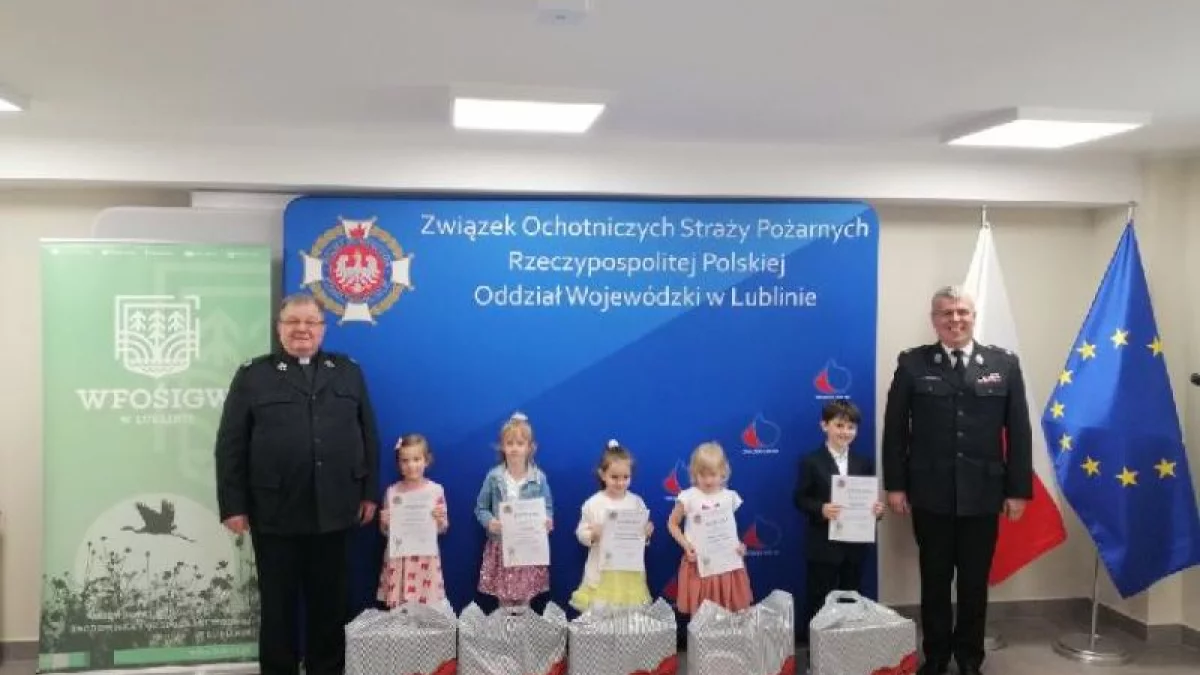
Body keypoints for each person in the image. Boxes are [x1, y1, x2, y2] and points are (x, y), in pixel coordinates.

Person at [214, 293, 380, 675]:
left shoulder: (348, 371)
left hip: (336, 507)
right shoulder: (253, 375)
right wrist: (233, 505)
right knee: (278, 606)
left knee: (330, 604)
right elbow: (231, 444)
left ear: (323, 329)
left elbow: (368, 434)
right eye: (292, 322)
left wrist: (369, 492)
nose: (301, 329)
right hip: (274, 512)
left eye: (310, 322)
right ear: (279, 328)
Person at [882, 286, 1032, 675]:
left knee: (974, 583)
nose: (955, 319)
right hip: (930, 493)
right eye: (946, 313)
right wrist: (895, 485)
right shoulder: (913, 364)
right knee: (934, 580)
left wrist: (1018, 490)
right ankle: (935, 657)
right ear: (934, 320)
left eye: (962, 311)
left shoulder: (1003, 364)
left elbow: (1019, 431)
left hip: (983, 494)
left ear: (973, 316)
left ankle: (969, 659)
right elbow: (895, 429)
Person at [794, 399, 885, 639]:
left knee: (851, 599)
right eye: (839, 425)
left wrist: (877, 510)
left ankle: (847, 649)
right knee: (819, 599)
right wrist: (821, 508)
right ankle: (817, 652)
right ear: (825, 425)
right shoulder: (811, 461)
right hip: (823, 545)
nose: (845, 432)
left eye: (851, 427)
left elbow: (869, 500)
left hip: (855, 546)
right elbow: (800, 499)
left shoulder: (864, 462)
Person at [474, 411, 555, 606]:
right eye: (509, 443)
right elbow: (480, 508)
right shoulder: (494, 477)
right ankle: (505, 626)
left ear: (530, 447)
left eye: (520, 443)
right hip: (501, 547)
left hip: (528, 549)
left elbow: (547, 508)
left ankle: (523, 626)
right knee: (503, 601)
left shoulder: (539, 479)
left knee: (525, 600)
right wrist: (490, 522)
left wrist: (547, 521)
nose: (514, 448)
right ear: (502, 446)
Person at [667, 441, 753, 614]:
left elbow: (730, 530)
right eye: (702, 474)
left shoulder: (730, 497)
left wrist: (740, 546)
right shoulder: (688, 497)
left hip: (727, 566)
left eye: (712, 474)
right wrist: (686, 545)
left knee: (729, 612)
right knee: (702, 615)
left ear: (723, 472)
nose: (707, 480)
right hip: (699, 566)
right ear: (694, 473)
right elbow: (672, 524)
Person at [570, 439, 654, 611]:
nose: (620, 482)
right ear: (602, 474)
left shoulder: (636, 502)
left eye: (626, 477)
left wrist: (646, 533)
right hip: (601, 572)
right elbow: (581, 532)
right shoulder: (593, 503)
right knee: (601, 614)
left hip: (629, 573)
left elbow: (641, 536)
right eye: (614, 477)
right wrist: (592, 535)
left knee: (628, 615)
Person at [378, 433, 448, 607]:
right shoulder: (392, 492)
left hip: (425, 559)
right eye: (405, 461)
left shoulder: (435, 491)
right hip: (399, 559)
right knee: (399, 609)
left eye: (416, 459)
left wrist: (440, 520)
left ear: (426, 460)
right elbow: (385, 532)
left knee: (426, 608)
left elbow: (443, 528)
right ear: (398, 464)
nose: (411, 465)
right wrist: (384, 523)